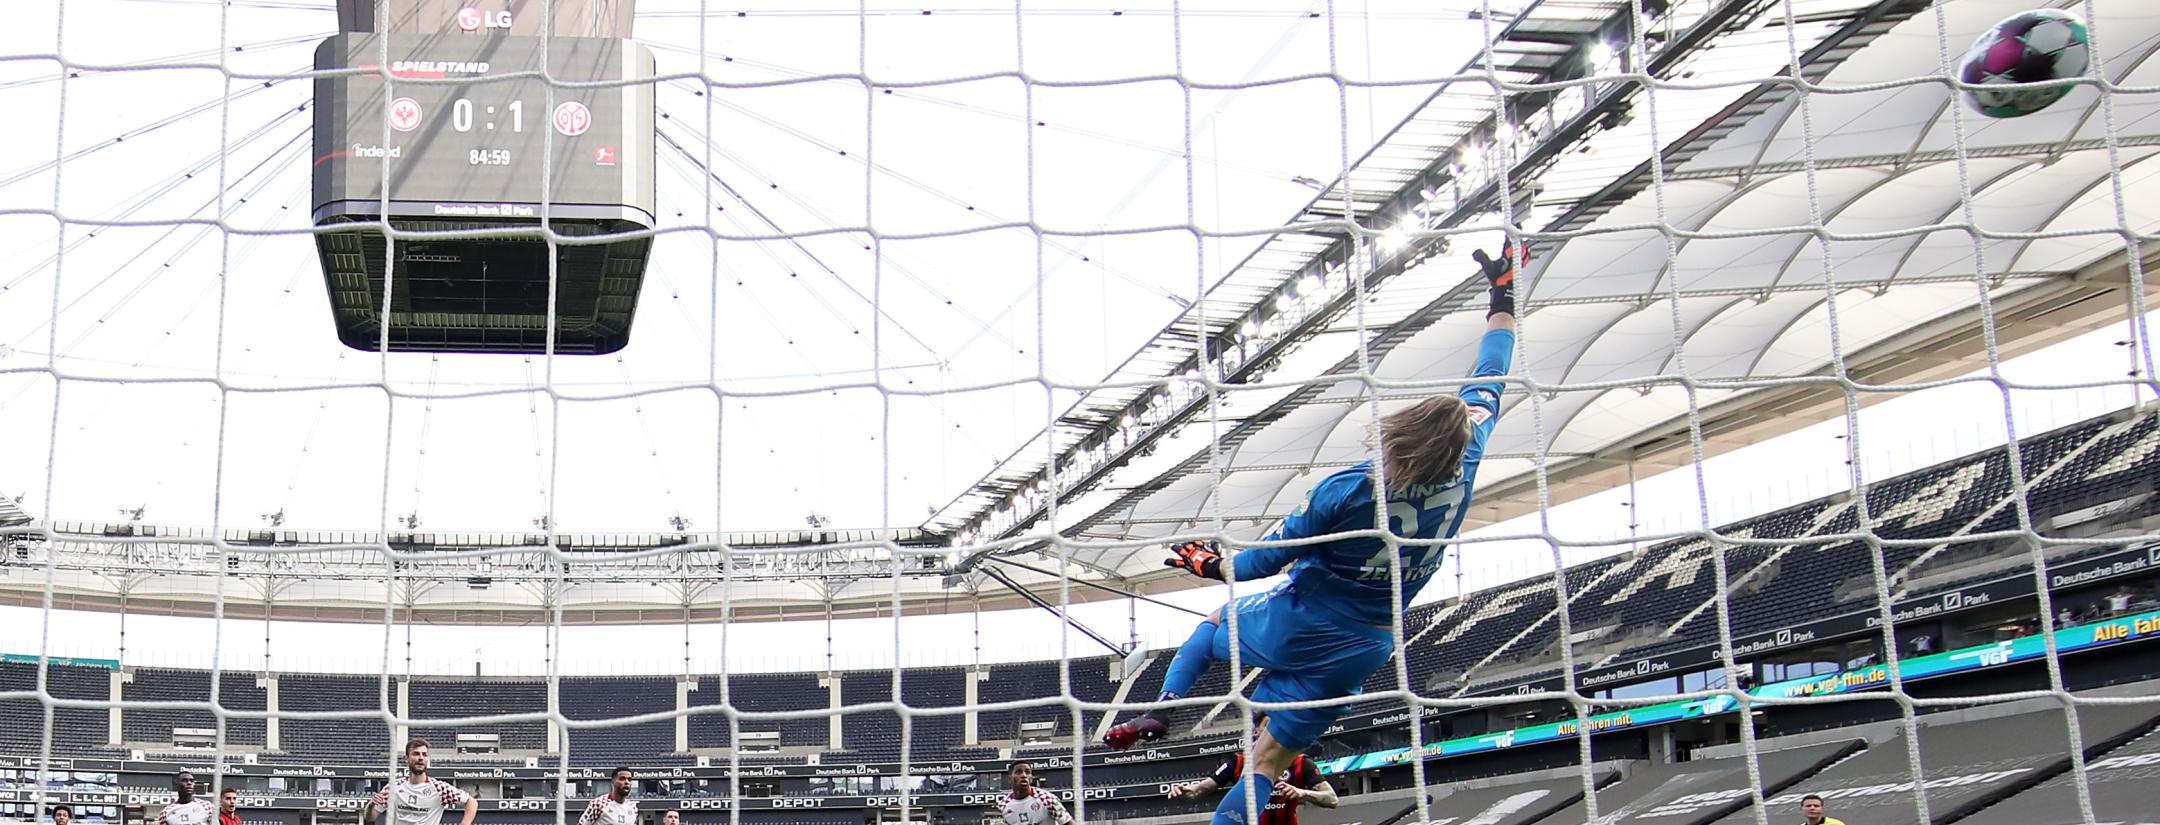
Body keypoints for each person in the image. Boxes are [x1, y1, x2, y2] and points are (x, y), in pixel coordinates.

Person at [1102, 244, 1519, 825]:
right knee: (1265, 763)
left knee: (1212, 627)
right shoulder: (1468, 452)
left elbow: (1255, 566)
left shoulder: (1349, 489)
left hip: (1308, 615)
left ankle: (1163, 708)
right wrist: (1503, 295)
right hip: (1369, 642)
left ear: (1400, 430)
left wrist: (1207, 564)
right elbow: (1493, 371)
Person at [1168, 745, 1337, 825]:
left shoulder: (1301, 762)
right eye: (1267, 727)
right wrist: (1189, 791)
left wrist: (1302, 793)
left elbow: (1332, 799)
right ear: (1257, 731)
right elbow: (1200, 790)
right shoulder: (1239, 762)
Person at [365, 738, 476, 825]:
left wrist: (465, 823)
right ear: (407, 758)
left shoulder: (439, 788)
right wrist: (371, 805)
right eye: (416, 754)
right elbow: (370, 817)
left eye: (424, 754)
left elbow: (471, 802)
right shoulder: (394, 788)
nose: (421, 758)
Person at [995, 761, 1073, 825]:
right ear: (1009, 779)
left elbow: (1068, 822)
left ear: (1031, 779)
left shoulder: (1047, 799)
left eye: (1027, 772)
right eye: (1018, 772)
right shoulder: (1003, 806)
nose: (1024, 775)